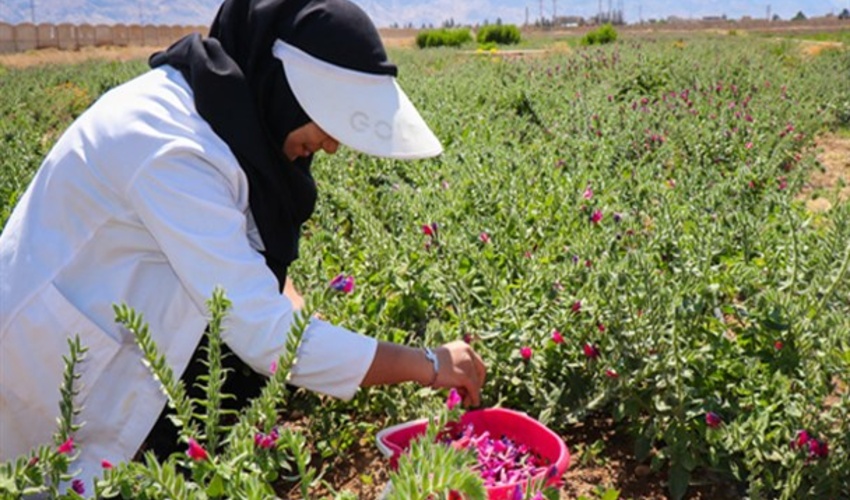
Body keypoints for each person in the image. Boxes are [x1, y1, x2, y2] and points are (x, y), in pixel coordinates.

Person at [0, 0, 487, 489]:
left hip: (116, 337)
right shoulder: (171, 146)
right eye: (328, 119)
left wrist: (303, 323)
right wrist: (428, 364)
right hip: (47, 370)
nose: (333, 145)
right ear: (287, 89)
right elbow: (265, 335)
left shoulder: (228, 114)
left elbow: (252, 257)